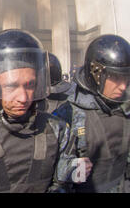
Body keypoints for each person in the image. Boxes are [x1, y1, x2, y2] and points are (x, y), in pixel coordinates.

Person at [0, 29, 92, 192]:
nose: (23, 98)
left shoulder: (57, 128)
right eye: (10, 86)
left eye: (30, 85)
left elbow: (63, 184)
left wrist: (76, 171)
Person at [53, 34, 130, 193]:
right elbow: (48, 168)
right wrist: (70, 170)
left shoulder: (125, 108)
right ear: (96, 74)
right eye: (115, 77)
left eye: (126, 78)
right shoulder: (69, 113)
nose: (123, 86)